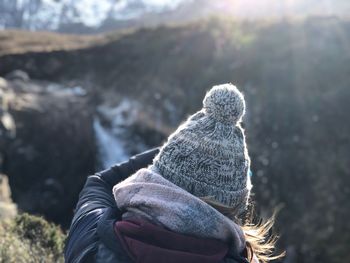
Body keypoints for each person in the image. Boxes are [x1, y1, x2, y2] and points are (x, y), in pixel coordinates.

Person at [65, 84, 281, 263]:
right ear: (235, 205)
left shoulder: (90, 242)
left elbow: (99, 182)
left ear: (156, 178)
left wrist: (175, 152)